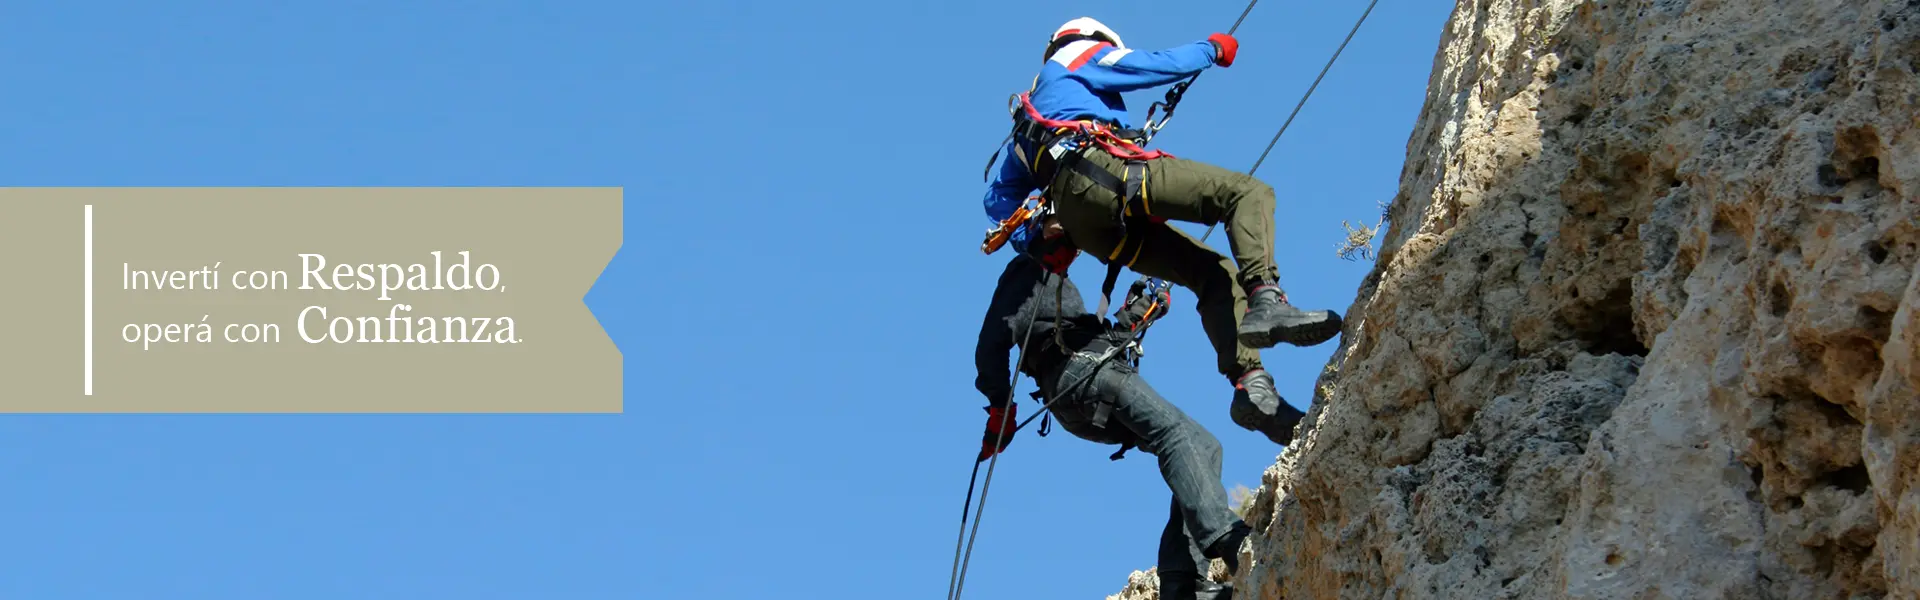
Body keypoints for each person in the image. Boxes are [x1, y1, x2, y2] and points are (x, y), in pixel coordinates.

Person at [980, 17, 1342, 443]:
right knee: (1246, 194)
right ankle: (1267, 297)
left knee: (1212, 272)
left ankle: (1252, 386)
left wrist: (1037, 237)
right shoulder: (1075, 54)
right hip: (1107, 175)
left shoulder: (1026, 128)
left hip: (1091, 230)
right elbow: (1147, 66)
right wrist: (1211, 50)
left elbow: (996, 200)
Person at [972, 238, 1304, 600]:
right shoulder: (1030, 269)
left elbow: (1092, 337)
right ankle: (1228, 537)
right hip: (1086, 375)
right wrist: (1000, 406)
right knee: (1177, 435)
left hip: (1081, 388)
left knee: (1205, 446)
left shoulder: (1056, 287)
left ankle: (1182, 583)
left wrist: (1138, 314)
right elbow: (992, 341)